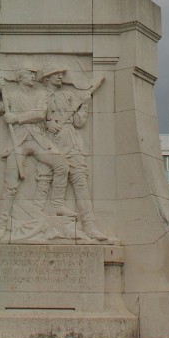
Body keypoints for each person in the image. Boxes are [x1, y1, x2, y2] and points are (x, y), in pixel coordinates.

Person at [0, 68, 74, 240]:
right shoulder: (10, 96)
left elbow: (40, 114)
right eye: (29, 73)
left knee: (62, 165)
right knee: (10, 185)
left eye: (34, 73)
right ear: (20, 77)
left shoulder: (40, 94)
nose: (33, 76)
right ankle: (1, 225)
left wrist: (16, 118)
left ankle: (56, 204)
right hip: (17, 141)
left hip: (37, 139)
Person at [40, 65, 110, 241]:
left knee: (81, 184)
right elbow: (31, 121)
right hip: (50, 144)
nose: (60, 76)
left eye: (61, 74)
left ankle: (90, 225)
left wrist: (85, 105)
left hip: (72, 143)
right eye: (55, 74)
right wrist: (46, 123)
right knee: (43, 184)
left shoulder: (68, 96)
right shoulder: (39, 97)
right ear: (45, 79)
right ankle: (43, 226)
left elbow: (79, 122)